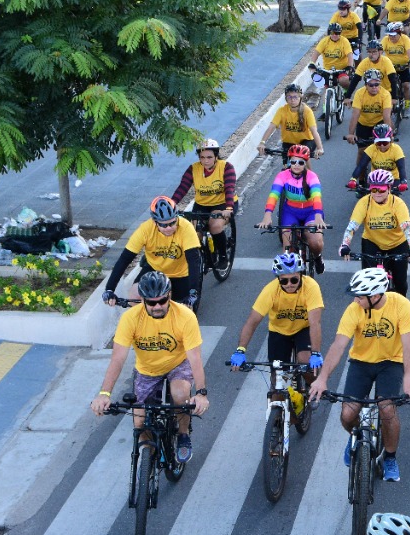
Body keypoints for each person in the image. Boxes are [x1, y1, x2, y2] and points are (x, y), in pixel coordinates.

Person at [309, 269, 410, 482]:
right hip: (361, 363)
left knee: (387, 409)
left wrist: (409, 378)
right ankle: (356, 436)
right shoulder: (354, 310)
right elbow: (338, 346)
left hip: (390, 362)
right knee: (347, 415)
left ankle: (389, 457)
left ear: (375, 295)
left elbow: (409, 345)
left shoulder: (401, 305)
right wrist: (322, 378)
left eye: (360, 296)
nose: (355, 299)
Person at [91, 271, 208, 464]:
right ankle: (149, 460)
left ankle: (183, 434)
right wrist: (104, 393)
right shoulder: (130, 318)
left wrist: (201, 393)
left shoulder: (185, 316)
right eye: (151, 303)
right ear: (142, 300)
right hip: (147, 370)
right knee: (139, 423)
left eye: (162, 301)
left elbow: (194, 358)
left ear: (169, 295)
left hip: (177, 364)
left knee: (180, 395)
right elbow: (118, 359)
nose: (158, 306)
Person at [229, 253, 324, 398]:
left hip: (303, 329)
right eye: (284, 281)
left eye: (294, 279)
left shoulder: (311, 287)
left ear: (301, 275)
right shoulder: (271, 290)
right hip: (279, 331)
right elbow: (252, 322)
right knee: (277, 383)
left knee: (306, 363)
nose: (289, 284)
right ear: (278, 279)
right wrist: (240, 350)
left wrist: (316, 353)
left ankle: (314, 390)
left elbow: (315, 323)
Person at [103, 196, 202, 309]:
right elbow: (125, 259)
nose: (169, 228)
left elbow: (193, 261)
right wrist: (109, 289)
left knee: (183, 309)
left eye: (172, 223)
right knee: (134, 297)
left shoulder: (186, 227)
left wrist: (194, 292)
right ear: (155, 222)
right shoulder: (145, 229)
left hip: (180, 274)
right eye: (163, 225)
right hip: (154, 271)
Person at [339, 169, 410, 296]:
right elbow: (352, 227)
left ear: (389, 188)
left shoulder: (398, 203)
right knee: (368, 283)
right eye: (373, 190)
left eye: (381, 190)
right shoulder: (364, 202)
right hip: (372, 242)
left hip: (397, 243)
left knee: (400, 284)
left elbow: (406, 228)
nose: (377, 194)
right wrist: (345, 245)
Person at [258, 144, 328, 274]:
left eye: (300, 162)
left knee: (315, 242)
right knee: (287, 250)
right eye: (293, 161)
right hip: (290, 212)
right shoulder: (282, 176)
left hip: (310, 212)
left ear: (306, 163)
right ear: (289, 161)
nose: (296, 165)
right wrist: (267, 215)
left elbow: (317, 197)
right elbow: (274, 195)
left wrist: (318, 216)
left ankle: (318, 257)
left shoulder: (312, 177)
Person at [170, 139, 235, 269]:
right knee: (193, 233)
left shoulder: (226, 167)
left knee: (215, 226)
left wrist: (228, 208)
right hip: (201, 205)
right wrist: (170, 204)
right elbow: (183, 188)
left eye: (209, 157)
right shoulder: (193, 169)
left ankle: (223, 256)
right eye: (202, 157)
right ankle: (202, 257)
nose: (205, 161)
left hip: (223, 204)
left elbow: (229, 188)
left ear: (216, 156)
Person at [258, 83, 324, 159]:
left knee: (299, 159)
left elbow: (314, 131)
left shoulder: (307, 111)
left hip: (306, 141)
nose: (292, 100)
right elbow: (271, 126)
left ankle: (307, 170)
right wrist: (262, 142)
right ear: (286, 98)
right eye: (289, 97)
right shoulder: (282, 111)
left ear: (300, 97)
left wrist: (320, 148)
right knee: (287, 165)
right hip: (289, 143)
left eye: (295, 97)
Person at [346, 69, 393, 170]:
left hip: (379, 124)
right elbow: (355, 115)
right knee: (362, 151)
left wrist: (390, 134)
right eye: (371, 85)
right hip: (363, 124)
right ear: (366, 85)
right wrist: (351, 133)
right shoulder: (359, 94)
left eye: (376, 84)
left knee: (384, 149)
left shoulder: (385, 95)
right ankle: (360, 178)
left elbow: (386, 116)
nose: (374, 87)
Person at [349, 123, 408, 193]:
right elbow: (361, 165)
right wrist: (353, 179)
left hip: (393, 179)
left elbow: (401, 168)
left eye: (385, 143)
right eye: (379, 143)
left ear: (391, 140)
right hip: (375, 180)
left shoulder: (396, 149)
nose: (382, 146)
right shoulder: (371, 149)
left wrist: (403, 181)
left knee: (395, 200)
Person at [381, 22, 410, 109]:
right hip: (390, 66)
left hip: (403, 66)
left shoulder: (405, 39)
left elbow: (409, 50)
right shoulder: (385, 39)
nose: (391, 37)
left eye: (393, 35)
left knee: (406, 86)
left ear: (399, 33)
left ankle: (407, 105)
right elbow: (380, 51)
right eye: (389, 35)